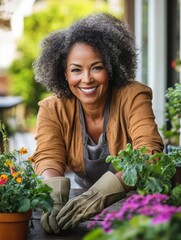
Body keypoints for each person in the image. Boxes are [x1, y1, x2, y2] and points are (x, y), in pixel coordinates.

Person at [32, 13, 164, 234]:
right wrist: (53, 197)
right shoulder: (51, 108)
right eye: (76, 69)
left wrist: (99, 195)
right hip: (83, 209)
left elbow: (149, 152)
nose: (86, 79)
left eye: (96, 67)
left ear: (111, 68)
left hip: (136, 208)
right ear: (64, 73)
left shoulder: (133, 96)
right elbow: (48, 156)